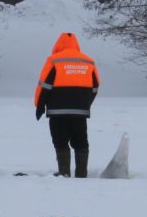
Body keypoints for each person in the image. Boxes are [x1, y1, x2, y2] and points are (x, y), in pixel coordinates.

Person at [34, 32, 100, 178]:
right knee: (81, 141)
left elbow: (45, 85)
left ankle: (64, 173)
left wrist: (39, 105)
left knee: (60, 140)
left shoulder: (54, 60)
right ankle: (82, 173)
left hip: (58, 111)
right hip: (80, 111)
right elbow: (95, 87)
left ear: (58, 44)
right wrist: (85, 103)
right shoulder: (89, 62)